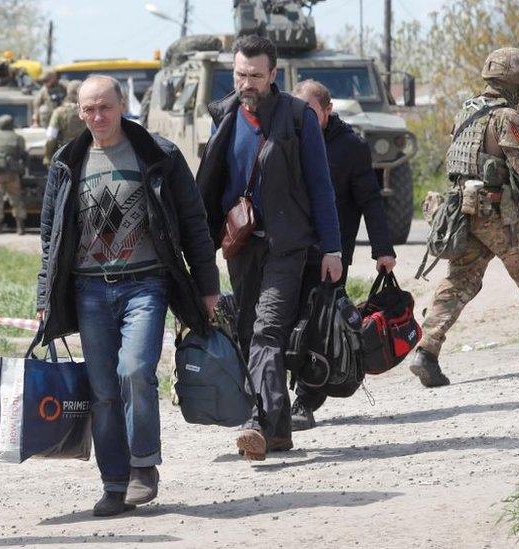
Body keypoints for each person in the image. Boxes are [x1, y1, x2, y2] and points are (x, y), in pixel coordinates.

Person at [35, 75, 219, 516]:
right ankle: (114, 484)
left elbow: (193, 223)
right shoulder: (66, 162)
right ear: (79, 112)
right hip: (89, 289)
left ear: (122, 107)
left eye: (105, 108)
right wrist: (45, 296)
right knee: (102, 389)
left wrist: (208, 285)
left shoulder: (158, 155)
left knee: (135, 371)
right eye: (88, 109)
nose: (97, 117)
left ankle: (142, 467)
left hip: (146, 283)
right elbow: (50, 237)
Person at [196, 35, 342, 461]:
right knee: (246, 331)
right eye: (240, 75)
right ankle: (278, 432)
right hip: (241, 245)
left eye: (256, 76)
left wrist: (332, 248)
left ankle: (257, 421)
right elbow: (212, 183)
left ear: (274, 75)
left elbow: (321, 187)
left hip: (287, 246)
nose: (247, 83)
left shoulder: (298, 118)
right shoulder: (223, 115)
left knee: (268, 330)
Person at [410, 47, 519, 388]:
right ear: (515, 83)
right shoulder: (507, 118)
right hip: (495, 213)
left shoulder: (467, 111)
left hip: (463, 210)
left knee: (460, 279)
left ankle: (426, 351)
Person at [290, 79, 397, 431]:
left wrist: (383, 249)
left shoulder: (351, 147)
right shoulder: (285, 137)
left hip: (331, 255)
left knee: (321, 329)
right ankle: (271, 397)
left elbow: (370, 200)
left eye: (312, 113)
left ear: (328, 111)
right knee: (284, 325)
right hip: (289, 251)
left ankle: (305, 400)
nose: (304, 120)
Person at [0, 114, 28, 234]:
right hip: (13, 174)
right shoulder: (18, 138)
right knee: (16, 199)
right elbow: (24, 155)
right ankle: (20, 227)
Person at [44, 80, 87, 165]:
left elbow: (51, 138)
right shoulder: (89, 111)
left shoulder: (59, 112)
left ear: (68, 92)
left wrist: (47, 157)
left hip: (65, 154)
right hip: (87, 153)